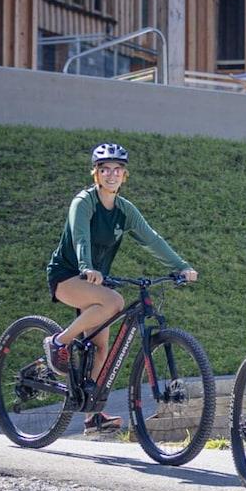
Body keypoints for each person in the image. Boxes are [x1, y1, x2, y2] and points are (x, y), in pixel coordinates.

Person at [45, 142, 198, 433]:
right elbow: (80, 237)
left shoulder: (125, 210)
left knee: (100, 347)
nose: (112, 174)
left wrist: (181, 266)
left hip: (95, 280)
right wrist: (87, 266)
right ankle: (59, 342)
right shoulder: (84, 202)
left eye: (117, 170)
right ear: (96, 173)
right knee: (114, 302)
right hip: (68, 276)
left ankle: (92, 417)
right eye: (105, 169)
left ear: (124, 175)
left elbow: (151, 239)